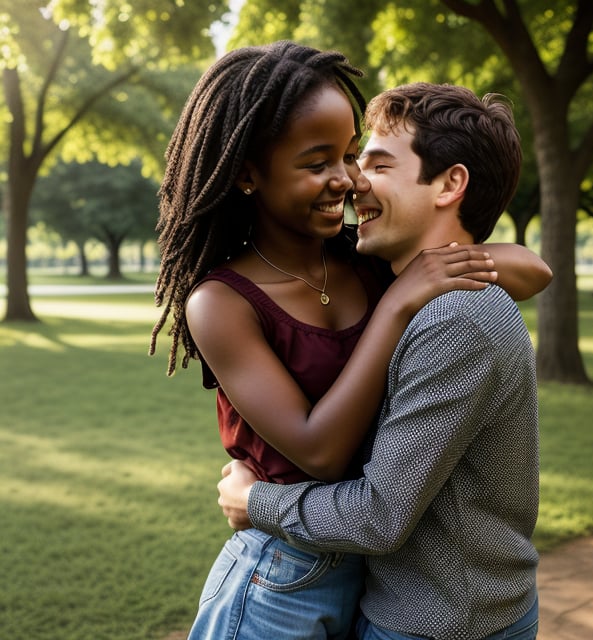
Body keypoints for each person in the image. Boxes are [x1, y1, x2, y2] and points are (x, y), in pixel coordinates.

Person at [151, 41, 550, 640]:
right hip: (281, 572)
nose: (348, 179)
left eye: (352, 157)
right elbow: (320, 452)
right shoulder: (222, 302)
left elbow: (531, 267)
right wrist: (398, 302)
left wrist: (429, 268)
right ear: (247, 173)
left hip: (370, 570)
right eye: (320, 162)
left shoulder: (363, 258)